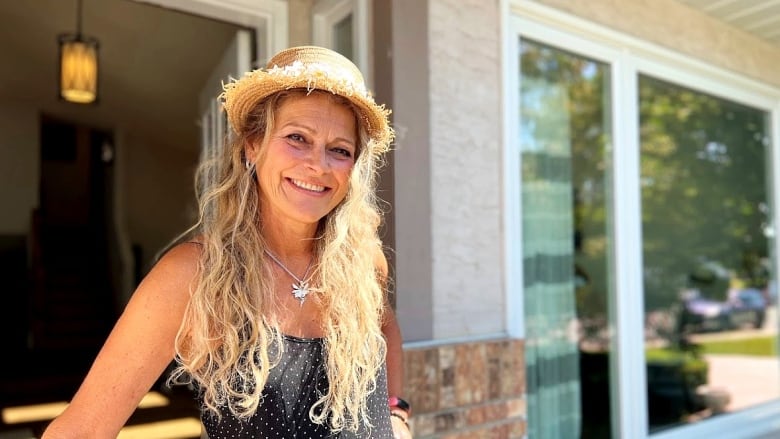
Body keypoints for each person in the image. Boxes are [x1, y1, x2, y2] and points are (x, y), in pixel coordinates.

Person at [42, 46, 412, 439]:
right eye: (297, 138)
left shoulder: (362, 260)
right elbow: (80, 429)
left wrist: (397, 416)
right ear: (253, 145)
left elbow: (385, 329)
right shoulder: (194, 275)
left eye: (340, 150)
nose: (318, 165)